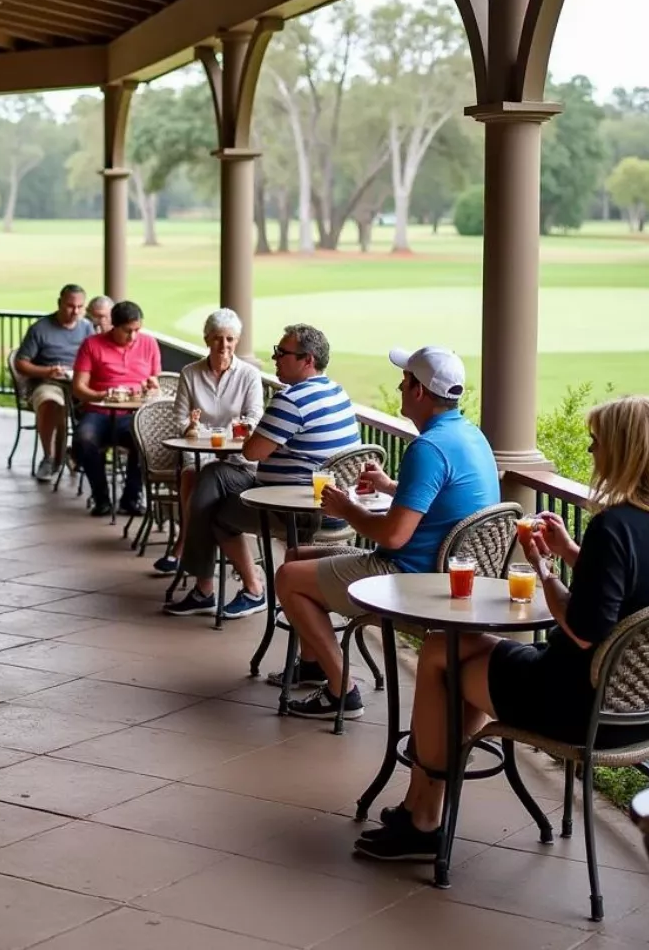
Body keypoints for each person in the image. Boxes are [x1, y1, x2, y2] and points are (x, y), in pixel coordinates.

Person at [354, 394, 649, 863]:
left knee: (442, 652)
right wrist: (570, 551)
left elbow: (584, 630)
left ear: (624, 451)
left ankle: (424, 817)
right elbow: (637, 590)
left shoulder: (614, 525)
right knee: (453, 653)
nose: (591, 453)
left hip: (572, 700)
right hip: (638, 711)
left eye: (597, 442)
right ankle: (422, 808)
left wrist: (544, 567)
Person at [275, 346, 498, 720]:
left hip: (411, 580)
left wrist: (346, 509)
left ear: (419, 392)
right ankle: (315, 664)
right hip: (449, 575)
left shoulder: (427, 447)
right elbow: (441, 499)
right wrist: (391, 485)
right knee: (297, 557)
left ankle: (341, 690)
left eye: (405, 379)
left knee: (287, 578)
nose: (399, 384)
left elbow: (393, 537)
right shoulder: (469, 435)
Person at [164, 324, 360, 621]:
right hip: (338, 508)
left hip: (297, 510)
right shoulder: (336, 391)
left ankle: (244, 589)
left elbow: (252, 452)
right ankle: (211, 588)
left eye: (282, 353)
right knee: (213, 475)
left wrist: (260, 434)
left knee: (212, 508)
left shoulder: (291, 399)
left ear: (307, 360)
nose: (275, 358)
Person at [152, 308, 264, 577]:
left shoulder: (249, 375)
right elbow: (180, 421)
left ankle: (185, 551)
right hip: (198, 450)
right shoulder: (190, 373)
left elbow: (255, 417)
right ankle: (187, 549)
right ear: (206, 340)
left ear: (236, 341)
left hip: (238, 454)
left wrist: (227, 430)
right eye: (216, 338)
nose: (223, 345)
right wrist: (196, 428)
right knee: (191, 475)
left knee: (211, 483)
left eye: (229, 339)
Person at [71, 299, 161, 518]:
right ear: (114, 326)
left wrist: (152, 387)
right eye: (127, 331)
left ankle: (131, 499)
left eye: (137, 330)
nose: (133, 337)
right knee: (84, 438)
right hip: (99, 410)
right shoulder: (92, 344)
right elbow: (78, 388)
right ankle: (101, 498)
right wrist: (101, 395)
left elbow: (155, 381)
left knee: (145, 439)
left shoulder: (149, 343)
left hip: (133, 413)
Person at [15, 284, 93, 481]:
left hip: (78, 381)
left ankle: (79, 455)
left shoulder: (86, 327)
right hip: (48, 381)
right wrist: (48, 371)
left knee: (98, 405)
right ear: (59, 303)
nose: (75, 311)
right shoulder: (40, 329)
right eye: (70, 306)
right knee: (51, 402)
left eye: (79, 307)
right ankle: (49, 458)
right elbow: (21, 363)